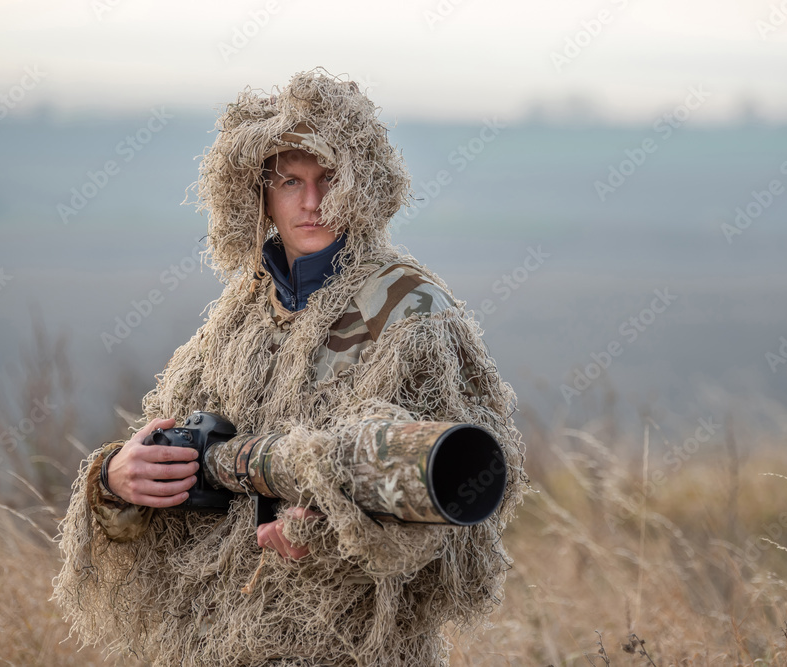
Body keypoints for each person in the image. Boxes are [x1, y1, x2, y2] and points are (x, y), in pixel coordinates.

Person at [54, 69, 527, 667]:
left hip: (351, 646)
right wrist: (117, 480)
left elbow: (464, 501)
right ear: (258, 194)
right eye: (290, 182)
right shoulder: (239, 315)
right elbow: (170, 453)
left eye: (330, 179)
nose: (311, 202)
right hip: (213, 641)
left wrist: (333, 533)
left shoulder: (410, 311)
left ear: (363, 186)